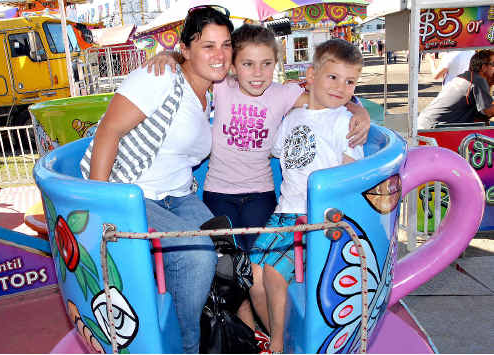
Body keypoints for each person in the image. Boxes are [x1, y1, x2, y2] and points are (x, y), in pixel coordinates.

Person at [145, 24, 370, 348]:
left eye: (267, 64)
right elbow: (195, 65)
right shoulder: (221, 88)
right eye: (248, 64)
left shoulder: (285, 94)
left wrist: (359, 109)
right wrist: (170, 55)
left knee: (255, 271)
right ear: (234, 66)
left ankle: (271, 337)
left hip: (262, 195)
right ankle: (250, 336)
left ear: (277, 67)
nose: (258, 72)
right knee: (231, 270)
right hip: (220, 193)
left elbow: (327, 96)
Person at [79, 6, 234, 353]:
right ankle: (187, 346)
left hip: (177, 195)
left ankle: (217, 331)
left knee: (227, 249)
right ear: (186, 48)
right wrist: (103, 205)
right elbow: (108, 132)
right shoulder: (160, 76)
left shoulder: (212, 90)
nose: (220, 54)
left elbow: (279, 87)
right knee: (196, 254)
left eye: (226, 44)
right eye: (208, 45)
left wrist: (355, 108)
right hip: (133, 194)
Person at [248, 38, 365, 353]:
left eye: (350, 81)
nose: (341, 87)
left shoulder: (345, 123)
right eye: (333, 77)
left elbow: (349, 174)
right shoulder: (293, 118)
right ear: (311, 76)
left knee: (271, 273)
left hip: (314, 217)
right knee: (251, 276)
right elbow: (275, 150)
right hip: (284, 211)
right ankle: (281, 335)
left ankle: (276, 343)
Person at [418, 49, 494, 129]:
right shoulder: (477, 80)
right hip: (433, 129)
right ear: (483, 67)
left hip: (425, 123)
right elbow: (488, 111)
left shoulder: (467, 76)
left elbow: (481, 115)